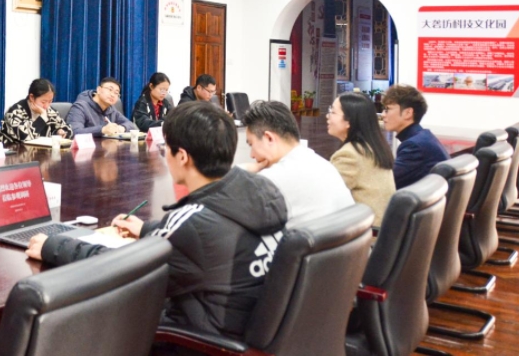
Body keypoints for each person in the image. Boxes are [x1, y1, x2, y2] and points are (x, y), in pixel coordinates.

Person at [26, 102, 288, 338]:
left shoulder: (191, 225)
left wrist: (55, 246)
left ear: (182, 156)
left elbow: (121, 268)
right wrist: (147, 229)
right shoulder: (263, 190)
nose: (164, 155)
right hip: (242, 323)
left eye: (166, 149)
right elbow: (197, 240)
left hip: (199, 340)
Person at [242, 100, 354, 226]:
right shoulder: (323, 165)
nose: (252, 155)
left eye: (251, 144)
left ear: (269, 138)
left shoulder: (271, 180)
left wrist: (239, 173)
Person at [326, 92, 396, 225]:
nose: (327, 116)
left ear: (349, 121)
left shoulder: (349, 155)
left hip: (365, 232)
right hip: (379, 227)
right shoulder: (373, 147)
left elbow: (325, 196)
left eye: (333, 112)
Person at [381, 84, 449, 189]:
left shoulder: (414, 147)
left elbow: (384, 181)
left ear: (408, 113)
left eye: (388, 109)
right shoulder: (424, 137)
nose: (383, 115)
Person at [0, 78, 73, 145]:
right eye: (43, 102)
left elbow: (69, 130)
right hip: (15, 152)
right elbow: (24, 137)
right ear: (32, 97)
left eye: (50, 101)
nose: (46, 106)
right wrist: (42, 117)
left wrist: (60, 131)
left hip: (43, 153)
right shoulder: (15, 112)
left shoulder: (50, 111)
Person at [66, 77, 137, 136]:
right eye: (110, 90)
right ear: (99, 90)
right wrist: (102, 130)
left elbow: (131, 125)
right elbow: (73, 132)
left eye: (116, 93)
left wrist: (122, 128)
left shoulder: (112, 110)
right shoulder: (80, 107)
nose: (112, 95)